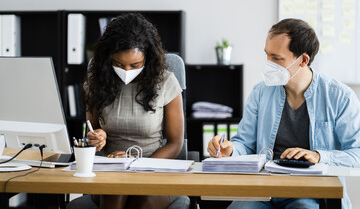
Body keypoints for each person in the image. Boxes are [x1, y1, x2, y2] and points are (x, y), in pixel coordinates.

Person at [207, 18, 360, 209]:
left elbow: (357, 154)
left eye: (277, 58)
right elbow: (244, 143)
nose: (268, 64)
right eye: (267, 56)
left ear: (303, 60)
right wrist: (230, 151)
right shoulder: (260, 92)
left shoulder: (339, 97)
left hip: (310, 193)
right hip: (263, 191)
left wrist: (319, 156)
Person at [84, 12, 185, 209]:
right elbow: (93, 132)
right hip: (111, 170)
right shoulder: (97, 82)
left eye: (135, 65)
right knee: (115, 192)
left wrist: (138, 165)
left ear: (148, 58)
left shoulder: (165, 82)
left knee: (141, 200)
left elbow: (175, 143)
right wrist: (97, 137)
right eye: (119, 64)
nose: (127, 70)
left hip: (154, 169)